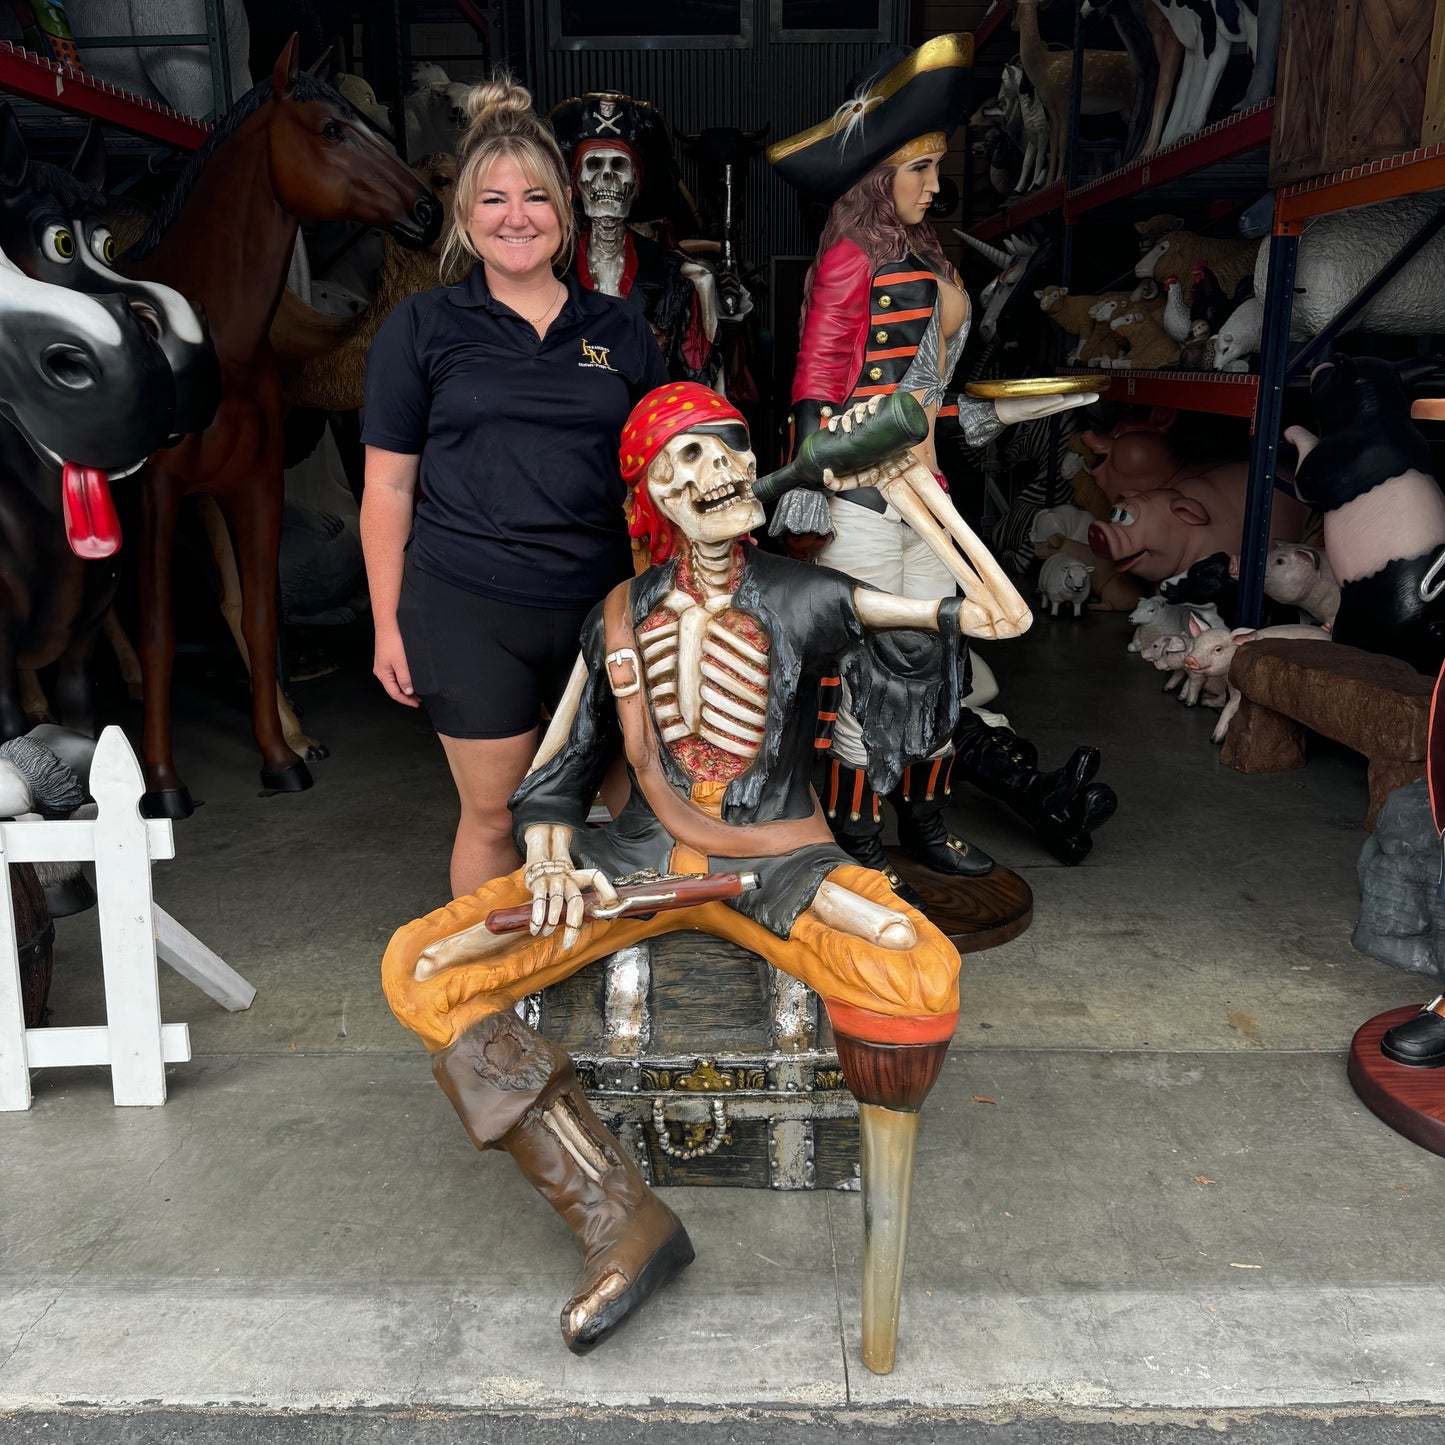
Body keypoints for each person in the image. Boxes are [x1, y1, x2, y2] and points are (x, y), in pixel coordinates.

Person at [382, 383, 1027, 1366]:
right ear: (648, 494)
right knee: (421, 966)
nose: (714, 467)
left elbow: (998, 615)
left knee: (917, 964)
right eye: (681, 458)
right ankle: (617, 1218)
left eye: (726, 445)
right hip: (637, 857)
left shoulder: (803, 593)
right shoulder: (615, 617)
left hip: (779, 860)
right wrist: (549, 836)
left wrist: (912, 487)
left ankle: (881, 1272)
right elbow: (553, 769)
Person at [767, 34, 1117, 894]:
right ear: (875, 176)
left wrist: (997, 409)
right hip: (861, 498)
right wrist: (811, 490)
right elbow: (817, 378)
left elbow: (927, 393)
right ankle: (855, 835)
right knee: (869, 669)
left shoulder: (932, 251)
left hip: (925, 488)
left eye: (933, 167)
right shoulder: (851, 256)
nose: (933, 184)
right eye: (918, 168)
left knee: (942, 665)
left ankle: (922, 820)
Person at [361, 72, 669, 896]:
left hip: (602, 611)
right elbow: (388, 489)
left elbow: (659, 478)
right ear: (466, 217)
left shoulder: (619, 328)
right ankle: (486, 1008)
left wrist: (670, 608)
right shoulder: (421, 328)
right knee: (497, 816)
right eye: (493, 200)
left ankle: (630, 980)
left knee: (647, 807)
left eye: (534, 197)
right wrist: (388, 624)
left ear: (563, 213)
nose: (516, 216)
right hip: (465, 607)